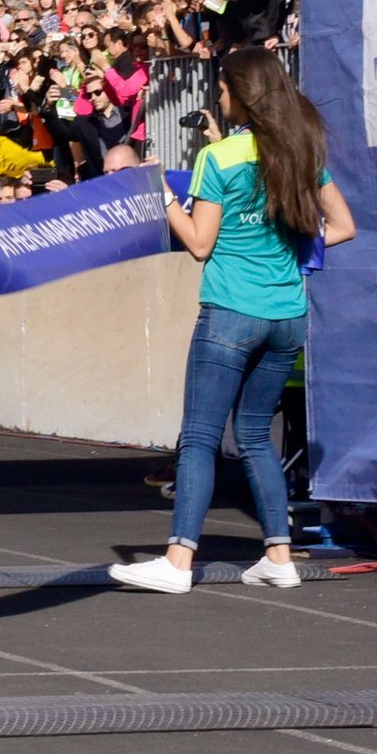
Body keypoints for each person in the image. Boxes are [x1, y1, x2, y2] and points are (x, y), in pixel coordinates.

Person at [110, 49, 356, 595]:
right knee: (254, 436)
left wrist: (160, 192)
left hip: (230, 313)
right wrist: (290, 255)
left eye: (222, 88)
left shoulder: (219, 157)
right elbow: (343, 226)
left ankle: (177, 562)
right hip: (287, 316)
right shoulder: (302, 150)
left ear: (242, 93)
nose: (218, 96)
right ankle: (278, 556)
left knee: (198, 438)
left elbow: (199, 244)